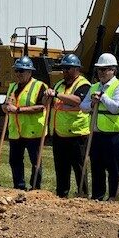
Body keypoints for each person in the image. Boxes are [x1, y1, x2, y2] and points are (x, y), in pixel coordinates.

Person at [80, 53, 119, 200]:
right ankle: (97, 195)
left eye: (104, 69)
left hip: (114, 134)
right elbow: (83, 107)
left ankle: (113, 196)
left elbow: (116, 107)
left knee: (113, 168)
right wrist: (92, 103)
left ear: (113, 70)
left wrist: (103, 98)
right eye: (99, 69)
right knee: (97, 166)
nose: (101, 73)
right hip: (96, 133)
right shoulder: (94, 86)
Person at [43, 54, 91, 198]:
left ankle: (82, 194)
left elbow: (77, 100)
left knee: (79, 167)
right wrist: (47, 96)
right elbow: (48, 103)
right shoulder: (59, 84)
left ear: (77, 69)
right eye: (63, 68)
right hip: (59, 133)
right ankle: (61, 194)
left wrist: (57, 95)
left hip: (77, 133)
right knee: (61, 167)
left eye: (68, 68)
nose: (64, 71)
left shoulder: (83, 84)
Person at [2, 56, 47, 190]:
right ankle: (19, 186)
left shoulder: (39, 86)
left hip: (33, 131)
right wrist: (5, 107)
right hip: (16, 131)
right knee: (15, 161)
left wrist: (18, 110)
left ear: (29, 72)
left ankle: (35, 187)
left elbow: (41, 107)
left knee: (36, 162)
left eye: (21, 71)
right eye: (16, 71)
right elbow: (6, 105)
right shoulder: (12, 87)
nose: (18, 74)